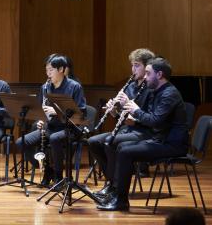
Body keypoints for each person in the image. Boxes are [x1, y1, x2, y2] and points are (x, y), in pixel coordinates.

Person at [97, 57, 188, 211]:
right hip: (159, 139)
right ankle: (116, 193)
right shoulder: (157, 91)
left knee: (125, 151)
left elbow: (154, 120)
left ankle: (121, 201)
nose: (144, 77)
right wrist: (122, 109)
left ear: (159, 75)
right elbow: (149, 117)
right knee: (120, 146)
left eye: (148, 73)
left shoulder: (169, 94)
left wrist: (135, 110)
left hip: (172, 144)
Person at [88, 48, 154, 199]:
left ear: (147, 67)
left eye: (137, 65)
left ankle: (114, 187)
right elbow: (123, 118)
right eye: (132, 65)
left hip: (144, 132)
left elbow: (150, 118)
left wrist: (129, 106)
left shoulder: (151, 88)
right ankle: (111, 181)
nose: (133, 69)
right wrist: (114, 112)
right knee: (93, 141)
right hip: (128, 129)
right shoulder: (130, 86)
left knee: (110, 141)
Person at [15, 54, 87, 187]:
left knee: (54, 138)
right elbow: (41, 109)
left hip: (70, 128)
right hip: (51, 126)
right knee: (21, 142)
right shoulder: (45, 87)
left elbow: (81, 113)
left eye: (51, 70)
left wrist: (58, 112)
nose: (48, 74)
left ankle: (59, 177)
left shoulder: (74, 87)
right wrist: (41, 119)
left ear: (61, 69)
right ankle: (46, 169)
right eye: (46, 70)